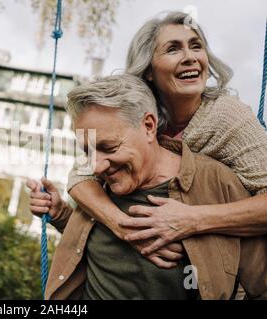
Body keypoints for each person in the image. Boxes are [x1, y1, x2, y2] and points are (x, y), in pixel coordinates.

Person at [26, 74, 266, 300]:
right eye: (87, 151)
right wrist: (60, 215)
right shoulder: (96, 187)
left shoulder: (219, 185)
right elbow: (100, 246)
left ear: (149, 126)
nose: (96, 166)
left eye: (109, 147)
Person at [64, 11, 267, 261]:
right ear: (149, 69)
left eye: (196, 47)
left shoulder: (228, 116)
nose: (190, 57)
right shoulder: (133, 112)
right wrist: (122, 224)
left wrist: (193, 220)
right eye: (173, 49)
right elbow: (80, 175)